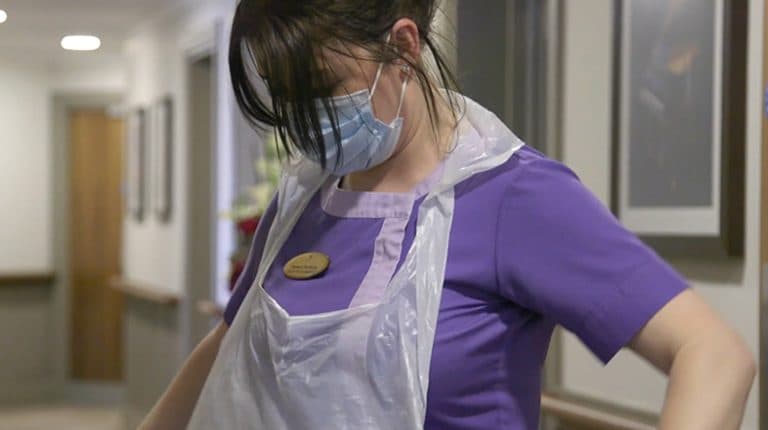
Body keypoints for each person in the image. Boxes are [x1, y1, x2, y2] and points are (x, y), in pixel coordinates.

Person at [138, 1, 755, 429]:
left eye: (322, 88)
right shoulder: (303, 198)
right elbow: (228, 346)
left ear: (402, 47)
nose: (305, 118)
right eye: (286, 96)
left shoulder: (515, 198)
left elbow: (714, 355)